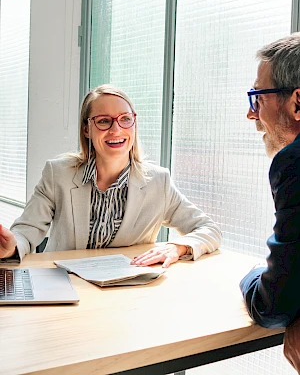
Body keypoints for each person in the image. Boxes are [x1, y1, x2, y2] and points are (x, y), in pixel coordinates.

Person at [0, 84, 221, 268]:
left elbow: (209, 229)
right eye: (104, 121)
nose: (116, 130)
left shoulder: (158, 182)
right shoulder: (58, 174)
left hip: (126, 295)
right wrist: (12, 246)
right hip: (65, 286)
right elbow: (27, 231)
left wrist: (176, 247)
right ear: (87, 129)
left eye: (125, 119)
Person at [240, 32, 300, 329]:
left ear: (297, 102)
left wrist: (252, 274)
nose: (252, 115)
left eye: (258, 98)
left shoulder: (294, 163)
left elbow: (273, 305)